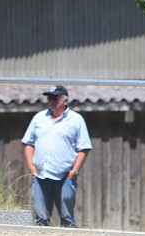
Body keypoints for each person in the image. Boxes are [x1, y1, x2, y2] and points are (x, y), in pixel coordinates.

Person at [22, 85, 92, 227]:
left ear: (65, 101)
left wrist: (74, 172)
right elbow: (28, 143)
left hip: (65, 176)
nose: (52, 101)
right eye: (50, 98)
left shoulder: (76, 120)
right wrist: (31, 167)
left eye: (55, 98)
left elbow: (84, 148)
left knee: (67, 219)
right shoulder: (39, 118)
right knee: (40, 219)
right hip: (41, 176)